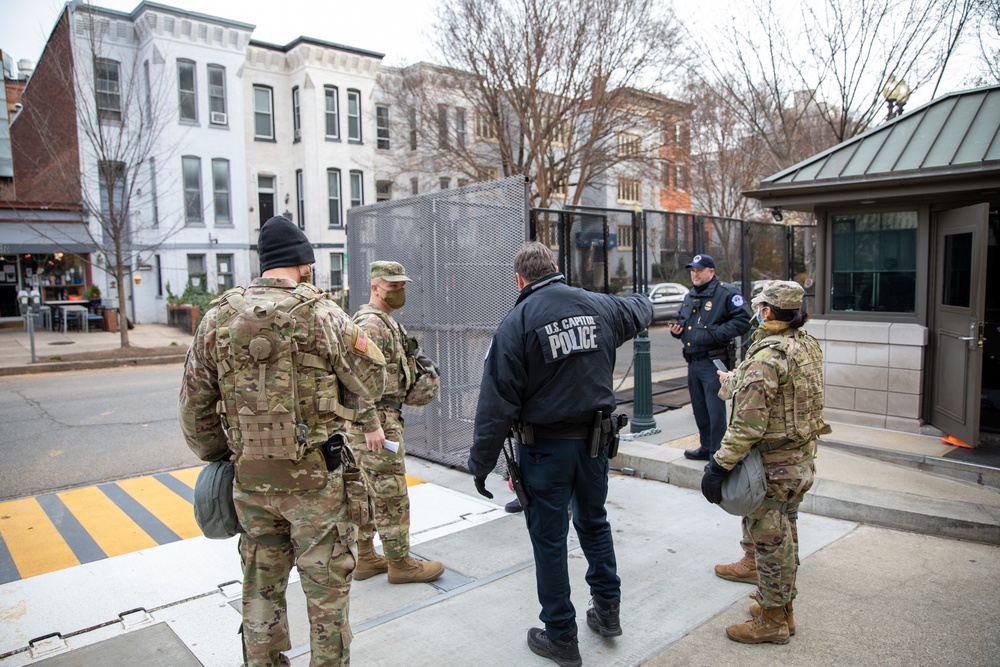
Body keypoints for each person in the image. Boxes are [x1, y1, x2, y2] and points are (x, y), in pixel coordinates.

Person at [178, 215, 387, 667]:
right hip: (319, 487)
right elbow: (373, 376)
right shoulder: (324, 313)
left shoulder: (217, 317)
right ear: (304, 264)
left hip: (252, 484)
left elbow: (193, 411)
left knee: (259, 593)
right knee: (327, 599)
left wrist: (227, 456)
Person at [467, 241, 652, 667]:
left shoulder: (516, 323)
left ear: (519, 279)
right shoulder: (600, 307)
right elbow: (641, 307)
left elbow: (496, 404)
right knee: (593, 522)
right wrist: (635, 300)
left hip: (545, 452)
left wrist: (480, 464)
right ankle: (608, 612)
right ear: (557, 267)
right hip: (594, 447)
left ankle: (561, 637)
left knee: (549, 541)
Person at [700, 280, 831, 645]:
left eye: (761, 307)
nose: (758, 312)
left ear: (768, 311)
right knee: (786, 532)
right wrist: (737, 381)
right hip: (801, 458)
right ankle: (781, 607)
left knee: (771, 541)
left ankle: (773, 621)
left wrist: (719, 467)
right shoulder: (804, 344)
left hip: (774, 465)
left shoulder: (767, 357)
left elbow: (746, 425)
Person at [348, 261, 445, 584]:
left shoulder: (384, 322)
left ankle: (365, 558)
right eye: (392, 286)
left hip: (379, 417)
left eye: (402, 285)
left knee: (365, 491)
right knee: (391, 493)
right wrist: (371, 424)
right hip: (377, 420)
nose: (399, 291)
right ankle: (400, 564)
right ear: (375, 287)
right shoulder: (371, 325)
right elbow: (355, 380)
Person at [668, 254, 751, 461]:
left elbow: (744, 319)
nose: (694, 274)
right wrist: (677, 331)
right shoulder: (690, 296)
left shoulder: (726, 293)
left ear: (711, 271)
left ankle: (718, 453)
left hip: (714, 361)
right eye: (692, 270)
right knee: (699, 409)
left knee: (716, 412)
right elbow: (683, 321)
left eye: (699, 270)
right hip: (693, 360)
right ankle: (706, 447)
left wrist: (715, 333)